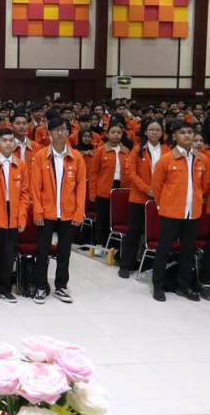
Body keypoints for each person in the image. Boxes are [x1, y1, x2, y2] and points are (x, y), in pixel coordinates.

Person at [150, 120, 209, 302]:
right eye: (182, 133)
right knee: (164, 249)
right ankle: (158, 285)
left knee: (188, 250)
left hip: (193, 212)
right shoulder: (167, 159)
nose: (187, 136)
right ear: (175, 136)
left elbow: (205, 184)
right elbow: (157, 186)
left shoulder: (202, 159)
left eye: (190, 132)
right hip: (171, 212)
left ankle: (183, 286)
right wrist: (164, 205)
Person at [30, 118, 87, 304]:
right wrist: (37, 212)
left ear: (68, 132)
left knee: (64, 252)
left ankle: (61, 286)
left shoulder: (76, 157)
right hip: (46, 212)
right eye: (56, 130)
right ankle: (40, 286)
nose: (60, 133)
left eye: (63, 129)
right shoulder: (40, 156)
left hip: (69, 213)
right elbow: (35, 187)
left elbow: (80, 188)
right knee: (43, 251)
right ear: (49, 133)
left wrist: (79, 213)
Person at [0, 127, 29, 303]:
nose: (8, 143)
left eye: (11, 140)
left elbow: (25, 193)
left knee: (9, 254)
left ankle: (5, 287)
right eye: (4, 140)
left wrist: (22, 217)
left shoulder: (21, 165)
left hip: (14, 214)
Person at [120, 118, 168, 278]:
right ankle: (125, 265)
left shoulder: (167, 151)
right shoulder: (137, 149)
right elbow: (130, 173)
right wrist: (147, 189)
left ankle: (149, 264)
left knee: (157, 232)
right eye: (151, 129)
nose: (154, 132)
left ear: (162, 133)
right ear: (145, 132)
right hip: (139, 198)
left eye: (158, 130)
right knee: (134, 231)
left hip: (161, 198)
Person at [88, 123, 129, 249]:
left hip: (120, 188)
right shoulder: (101, 150)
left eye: (119, 132)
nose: (116, 135)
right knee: (103, 218)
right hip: (104, 188)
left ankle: (114, 245)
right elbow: (93, 173)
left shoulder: (126, 151)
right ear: (107, 134)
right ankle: (100, 243)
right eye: (113, 132)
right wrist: (92, 192)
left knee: (117, 218)